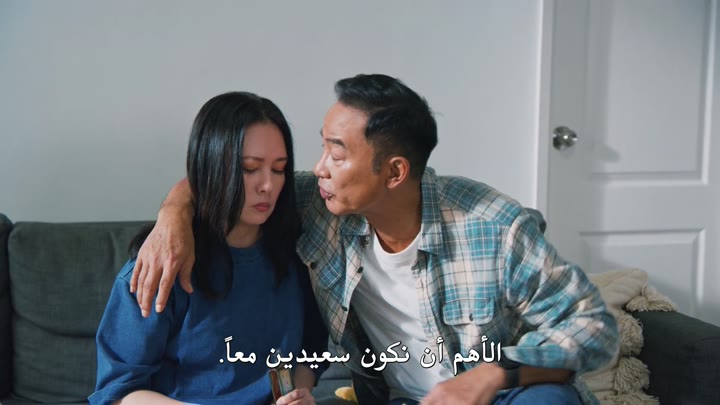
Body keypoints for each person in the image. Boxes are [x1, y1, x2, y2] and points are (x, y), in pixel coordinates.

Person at [130, 75, 619, 404]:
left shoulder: (494, 226)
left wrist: (492, 374)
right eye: (322, 146)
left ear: (394, 172)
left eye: (337, 153)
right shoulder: (321, 204)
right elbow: (228, 177)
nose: (319, 168)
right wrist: (173, 213)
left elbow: (595, 327)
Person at [90, 91, 326, 405]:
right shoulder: (160, 267)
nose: (268, 185)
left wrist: (298, 394)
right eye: (249, 168)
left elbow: (310, 350)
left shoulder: (298, 251)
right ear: (211, 166)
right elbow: (117, 394)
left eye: (279, 169)